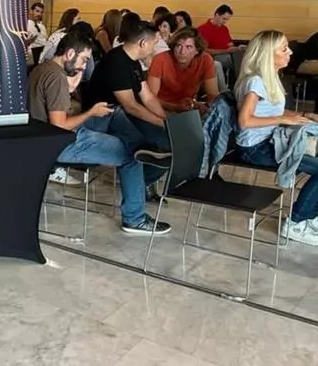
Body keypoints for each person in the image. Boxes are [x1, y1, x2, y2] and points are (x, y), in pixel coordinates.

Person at [29, 29, 171, 235]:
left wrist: (76, 94)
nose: (84, 66)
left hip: (47, 137)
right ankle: (135, 218)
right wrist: (90, 113)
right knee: (132, 155)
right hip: (61, 142)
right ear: (70, 53)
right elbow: (59, 125)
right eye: (84, 60)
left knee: (112, 114)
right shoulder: (57, 78)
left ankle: (142, 157)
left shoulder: (41, 68)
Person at [235, 30, 318, 246]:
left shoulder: (269, 78)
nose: (290, 52)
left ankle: (309, 216)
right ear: (268, 54)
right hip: (255, 149)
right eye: (284, 49)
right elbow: (245, 121)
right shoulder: (255, 82)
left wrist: (306, 115)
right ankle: (296, 223)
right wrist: (284, 119)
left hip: (269, 140)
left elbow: (271, 111)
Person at [86, 20, 169, 151]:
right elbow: (130, 106)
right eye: (154, 43)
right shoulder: (116, 62)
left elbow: (148, 97)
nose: (154, 49)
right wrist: (161, 123)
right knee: (144, 143)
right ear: (143, 43)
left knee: (161, 135)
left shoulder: (134, 62)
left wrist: (165, 119)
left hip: (120, 112)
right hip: (103, 116)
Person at [147, 26, 220, 114]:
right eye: (178, 46)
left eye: (188, 47)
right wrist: (174, 107)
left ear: (197, 50)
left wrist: (206, 106)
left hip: (190, 107)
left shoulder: (205, 60)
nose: (182, 52)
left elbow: (213, 95)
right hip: (162, 107)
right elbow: (150, 99)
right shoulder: (160, 59)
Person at [198, 4, 244, 81]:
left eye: (227, 20)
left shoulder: (224, 29)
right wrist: (226, 51)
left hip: (228, 54)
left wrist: (237, 48)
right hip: (215, 56)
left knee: (243, 57)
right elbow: (204, 51)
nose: (225, 22)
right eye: (224, 19)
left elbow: (230, 45)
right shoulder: (203, 29)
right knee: (239, 61)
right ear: (217, 15)